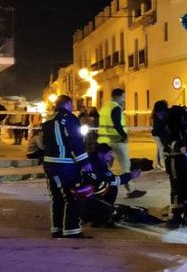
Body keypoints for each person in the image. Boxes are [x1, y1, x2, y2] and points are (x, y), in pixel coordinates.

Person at [42, 95, 92, 238]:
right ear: (68, 104)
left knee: (57, 197)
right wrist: (85, 163)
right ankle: (71, 230)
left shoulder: (48, 119)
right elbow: (75, 142)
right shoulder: (69, 118)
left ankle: (57, 229)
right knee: (73, 196)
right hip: (65, 164)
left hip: (50, 164)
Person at [97, 89, 145, 198]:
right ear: (117, 97)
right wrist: (124, 136)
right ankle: (131, 190)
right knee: (125, 165)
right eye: (123, 97)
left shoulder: (105, 107)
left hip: (105, 141)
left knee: (105, 166)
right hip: (117, 140)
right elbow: (117, 125)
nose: (124, 100)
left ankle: (101, 187)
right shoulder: (116, 108)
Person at [81, 143, 142, 227]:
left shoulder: (93, 161)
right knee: (111, 188)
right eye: (109, 154)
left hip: (83, 197)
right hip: (87, 200)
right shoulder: (97, 165)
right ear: (100, 154)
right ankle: (99, 218)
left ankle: (93, 215)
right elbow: (111, 181)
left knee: (106, 187)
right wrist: (130, 176)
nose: (110, 157)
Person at [163, 105, 187, 228]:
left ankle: (185, 215)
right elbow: (173, 144)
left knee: (185, 187)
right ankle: (178, 215)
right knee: (178, 188)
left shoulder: (181, 127)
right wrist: (181, 147)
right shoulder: (172, 129)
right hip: (176, 161)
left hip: (182, 161)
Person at [151, 100, 169, 171]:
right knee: (161, 149)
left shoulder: (155, 114)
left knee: (159, 149)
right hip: (158, 134)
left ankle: (157, 164)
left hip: (156, 134)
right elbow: (161, 126)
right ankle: (163, 165)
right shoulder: (159, 115)